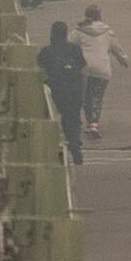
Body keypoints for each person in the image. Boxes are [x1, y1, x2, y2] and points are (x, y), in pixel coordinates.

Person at [37, 20, 88, 163]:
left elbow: (39, 71)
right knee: (73, 118)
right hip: (73, 88)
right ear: (66, 33)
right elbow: (82, 70)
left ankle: (57, 147)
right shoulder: (75, 49)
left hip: (55, 89)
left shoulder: (46, 52)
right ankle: (74, 142)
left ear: (52, 34)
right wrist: (82, 89)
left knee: (53, 119)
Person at [77, 11, 125, 143]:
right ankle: (94, 124)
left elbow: (70, 45)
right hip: (102, 69)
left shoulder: (79, 30)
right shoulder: (107, 32)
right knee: (97, 97)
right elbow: (116, 48)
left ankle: (90, 121)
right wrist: (123, 59)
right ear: (100, 16)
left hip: (85, 67)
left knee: (86, 97)